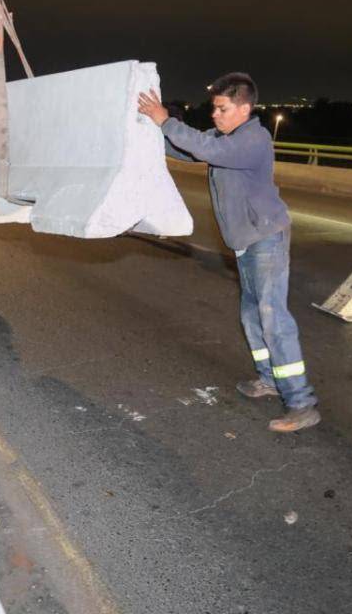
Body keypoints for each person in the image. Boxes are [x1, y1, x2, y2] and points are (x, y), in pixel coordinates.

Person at [137, 73, 319, 433]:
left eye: (222, 109)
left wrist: (166, 119)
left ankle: (301, 402)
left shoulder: (253, 139)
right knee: (252, 315)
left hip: (266, 237)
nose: (215, 115)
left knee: (273, 318)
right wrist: (149, 131)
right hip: (244, 241)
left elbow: (208, 151)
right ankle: (269, 379)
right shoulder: (224, 137)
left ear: (245, 108)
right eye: (214, 108)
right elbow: (188, 149)